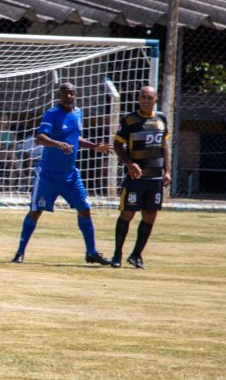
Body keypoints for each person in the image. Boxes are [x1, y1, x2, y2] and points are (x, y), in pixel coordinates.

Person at [11, 82, 112, 265]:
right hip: (48, 174)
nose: (69, 96)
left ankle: (91, 252)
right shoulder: (52, 114)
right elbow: (40, 138)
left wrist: (94, 146)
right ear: (60, 95)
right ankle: (19, 252)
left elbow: (75, 138)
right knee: (35, 211)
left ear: (76, 94)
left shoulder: (78, 113)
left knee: (84, 209)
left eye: (72, 93)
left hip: (70, 175)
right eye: (66, 93)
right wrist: (58, 144)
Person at [110, 86, 171, 269]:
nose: (146, 100)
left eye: (149, 97)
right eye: (143, 97)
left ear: (155, 99)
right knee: (128, 213)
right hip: (135, 179)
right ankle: (117, 255)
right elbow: (117, 145)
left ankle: (136, 255)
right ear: (138, 99)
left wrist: (167, 171)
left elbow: (164, 146)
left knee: (150, 215)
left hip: (155, 180)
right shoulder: (129, 120)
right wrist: (129, 163)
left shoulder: (161, 119)